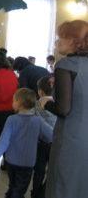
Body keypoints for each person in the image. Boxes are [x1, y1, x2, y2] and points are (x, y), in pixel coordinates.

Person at [40, 20, 88, 198]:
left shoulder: (65, 65)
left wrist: (46, 101)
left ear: (75, 41)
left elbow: (63, 109)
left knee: (63, 185)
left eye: (61, 38)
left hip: (71, 136)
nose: (57, 42)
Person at [0, 88, 53, 198]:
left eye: (13, 100)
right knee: (19, 189)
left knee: (13, 185)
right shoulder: (38, 121)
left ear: (19, 103)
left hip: (11, 161)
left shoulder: (11, 119)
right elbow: (51, 136)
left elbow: (3, 142)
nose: (12, 103)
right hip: (27, 164)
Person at [32, 76, 57, 198]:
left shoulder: (37, 104)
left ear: (40, 91)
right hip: (56, 143)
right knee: (52, 169)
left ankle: (35, 192)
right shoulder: (58, 104)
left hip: (41, 142)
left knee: (39, 169)